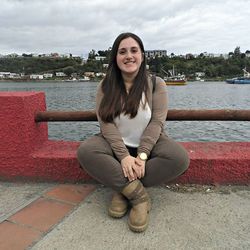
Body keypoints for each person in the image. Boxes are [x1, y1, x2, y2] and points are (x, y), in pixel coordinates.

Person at [77, 32, 189, 233]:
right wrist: (123, 157)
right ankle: (138, 196)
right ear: (115, 58)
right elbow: (106, 124)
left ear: (142, 55)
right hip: (115, 144)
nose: (128, 55)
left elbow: (157, 122)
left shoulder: (156, 84)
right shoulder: (106, 85)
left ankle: (123, 190)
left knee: (179, 158)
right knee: (86, 151)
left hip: (148, 143)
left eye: (134, 50)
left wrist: (142, 155)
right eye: (122, 52)